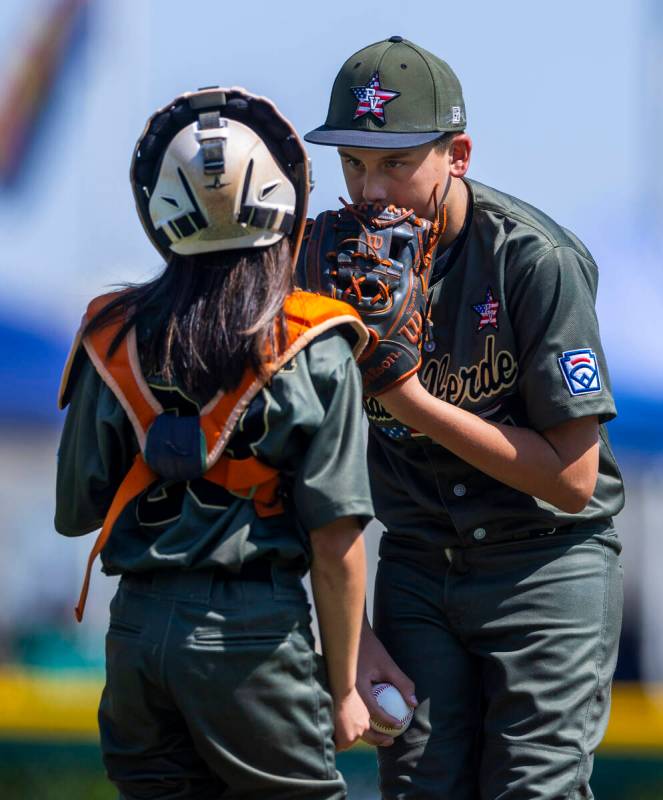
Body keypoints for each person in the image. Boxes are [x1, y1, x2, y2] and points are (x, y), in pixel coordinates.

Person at [301, 37, 625, 800]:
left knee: (530, 791)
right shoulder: (324, 268)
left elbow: (572, 481)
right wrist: (352, 639)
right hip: (416, 564)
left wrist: (409, 402)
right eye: (351, 161)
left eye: (394, 161)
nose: (368, 187)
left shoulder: (531, 259)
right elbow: (299, 474)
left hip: (544, 563)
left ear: (458, 154)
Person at [55, 86, 375, 799]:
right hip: (250, 636)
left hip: (136, 634)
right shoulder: (316, 344)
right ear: (283, 199)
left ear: (159, 212)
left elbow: (77, 510)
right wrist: (345, 684)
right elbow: (337, 542)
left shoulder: (108, 335)